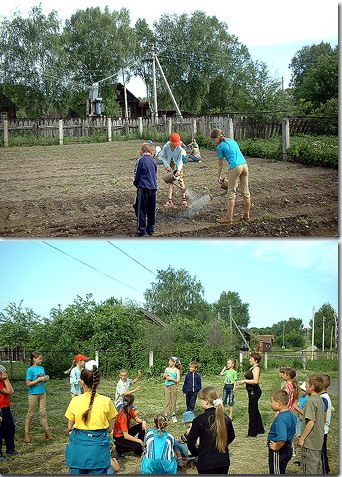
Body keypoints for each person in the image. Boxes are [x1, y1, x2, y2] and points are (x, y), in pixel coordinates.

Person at [65, 359, 118, 474]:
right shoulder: (107, 401)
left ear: (82, 382)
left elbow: (70, 427)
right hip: (98, 451)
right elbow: (109, 428)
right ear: (98, 382)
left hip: (77, 451)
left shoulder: (75, 401)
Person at [187, 386, 235, 474]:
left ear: (206, 401)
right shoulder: (225, 418)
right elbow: (232, 436)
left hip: (206, 462)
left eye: (201, 399)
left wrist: (197, 453)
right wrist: (222, 445)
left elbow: (190, 441)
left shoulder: (200, 420)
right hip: (223, 461)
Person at [210, 128, 251, 224]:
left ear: (218, 137)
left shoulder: (220, 147)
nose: (214, 141)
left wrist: (218, 176)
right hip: (244, 166)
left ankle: (229, 218)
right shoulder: (232, 141)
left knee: (231, 193)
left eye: (214, 139)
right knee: (245, 192)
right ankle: (246, 215)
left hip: (235, 167)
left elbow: (220, 164)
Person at [24, 351, 54, 443]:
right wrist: (39, 379)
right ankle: (26, 435)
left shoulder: (41, 368)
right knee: (31, 414)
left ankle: (47, 432)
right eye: (40, 358)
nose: (41, 360)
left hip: (42, 393)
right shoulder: (30, 370)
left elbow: (43, 379)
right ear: (34, 359)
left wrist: (45, 379)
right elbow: (28, 384)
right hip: (33, 394)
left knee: (43, 413)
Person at [298, 374, 325, 474]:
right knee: (316, 468)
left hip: (310, 443)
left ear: (312, 387)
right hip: (317, 441)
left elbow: (310, 422)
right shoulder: (319, 399)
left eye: (307, 384)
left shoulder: (310, 401)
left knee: (308, 469)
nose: (305, 387)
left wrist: (302, 438)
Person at [268, 389, 297, 474]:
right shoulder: (291, 414)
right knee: (281, 470)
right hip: (288, 447)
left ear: (279, 403)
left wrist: (276, 446)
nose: (270, 404)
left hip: (280, 449)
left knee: (276, 471)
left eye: (272, 401)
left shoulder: (281, 419)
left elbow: (282, 437)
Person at [236, 351, 264, 437]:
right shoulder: (252, 368)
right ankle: (260, 429)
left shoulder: (256, 368)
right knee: (255, 410)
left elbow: (255, 381)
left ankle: (252, 432)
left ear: (256, 360)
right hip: (251, 391)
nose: (249, 360)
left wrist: (244, 381)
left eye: (251, 358)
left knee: (252, 411)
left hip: (254, 391)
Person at [133, 142, 158, 237]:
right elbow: (155, 175)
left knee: (141, 209)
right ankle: (151, 229)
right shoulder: (153, 162)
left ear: (142, 152)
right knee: (151, 210)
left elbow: (137, 174)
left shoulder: (140, 160)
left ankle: (141, 230)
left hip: (143, 187)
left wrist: (136, 183)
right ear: (151, 152)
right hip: (153, 188)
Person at [158, 132, 188, 207]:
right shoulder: (166, 146)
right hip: (170, 163)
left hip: (178, 164)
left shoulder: (180, 149)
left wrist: (178, 170)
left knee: (180, 180)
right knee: (170, 180)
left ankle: (184, 199)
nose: (175, 145)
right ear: (171, 141)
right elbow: (163, 157)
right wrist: (167, 165)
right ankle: (169, 201)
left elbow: (180, 161)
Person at [0, 365, 20, 461]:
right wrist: (6, 380)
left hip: (6, 407)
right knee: (0, 431)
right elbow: (8, 392)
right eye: (4, 372)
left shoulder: (3, 382)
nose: (6, 374)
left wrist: (6, 380)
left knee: (10, 428)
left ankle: (10, 449)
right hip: (1, 409)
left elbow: (11, 391)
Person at [292, 381, 310, 464]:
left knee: (302, 438)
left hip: (302, 421)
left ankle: (305, 458)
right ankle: (303, 457)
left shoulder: (308, 400)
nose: (301, 390)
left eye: (303, 389)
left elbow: (304, 413)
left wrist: (296, 407)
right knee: (298, 436)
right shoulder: (302, 398)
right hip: (298, 420)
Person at [319, 374, 333, 474]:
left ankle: (324, 471)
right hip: (321, 429)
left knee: (322, 453)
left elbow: (322, 417)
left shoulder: (323, 398)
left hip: (321, 430)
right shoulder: (323, 397)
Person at [163, 357, 181, 422]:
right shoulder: (167, 369)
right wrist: (164, 376)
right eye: (169, 361)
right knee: (167, 401)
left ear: (174, 363)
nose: (169, 362)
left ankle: (173, 415)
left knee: (173, 401)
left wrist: (171, 379)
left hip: (174, 386)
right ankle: (166, 415)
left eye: (170, 361)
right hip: (167, 386)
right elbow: (164, 378)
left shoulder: (177, 370)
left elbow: (178, 380)